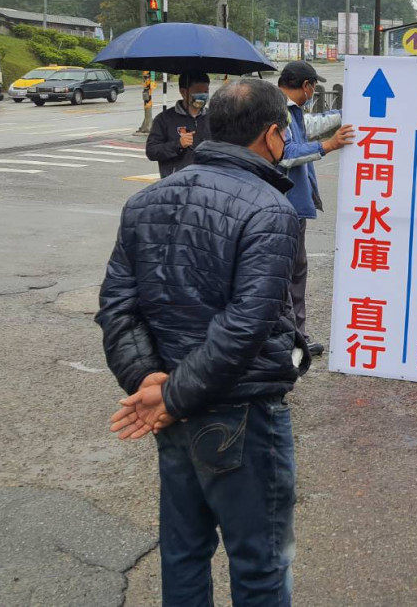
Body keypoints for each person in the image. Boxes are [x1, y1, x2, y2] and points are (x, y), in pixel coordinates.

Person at [96, 78, 309, 606]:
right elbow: (247, 325)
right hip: (238, 409)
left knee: (184, 550)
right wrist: (166, 396)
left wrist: (152, 383)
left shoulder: (146, 200)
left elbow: (117, 306)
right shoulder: (269, 208)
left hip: (171, 404)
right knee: (259, 561)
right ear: (271, 134)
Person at [277, 60, 355, 358]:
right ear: (307, 86)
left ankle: (291, 336)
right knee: (292, 274)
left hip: (290, 206)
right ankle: (294, 339)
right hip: (286, 207)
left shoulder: (289, 111)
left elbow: (311, 126)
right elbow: (284, 154)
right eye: (313, 86)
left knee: (291, 273)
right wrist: (328, 146)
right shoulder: (278, 111)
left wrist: (347, 114)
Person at [145, 72, 211, 178]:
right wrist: (178, 144)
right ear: (184, 92)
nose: (203, 96)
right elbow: (152, 151)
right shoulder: (164, 119)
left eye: (206, 91)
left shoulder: (213, 118)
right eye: (198, 92)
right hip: (176, 184)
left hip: (206, 182)